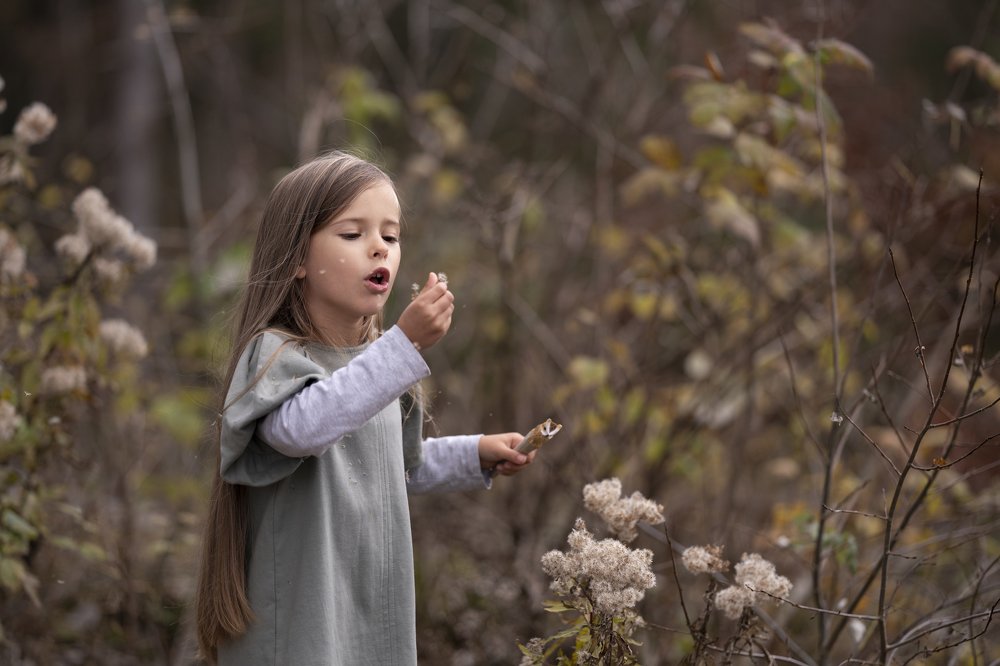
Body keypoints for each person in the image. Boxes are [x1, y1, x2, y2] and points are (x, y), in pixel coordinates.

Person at [193, 151, 535, 665]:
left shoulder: (375, 363)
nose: (379, 248)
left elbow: (384, 466)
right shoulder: (275, 355)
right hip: (302, 617)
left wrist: (474, 453)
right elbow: (301, 430)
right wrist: (401, 347)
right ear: (296, 259)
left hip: (364, 606)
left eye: (390, 237)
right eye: (352, 234)